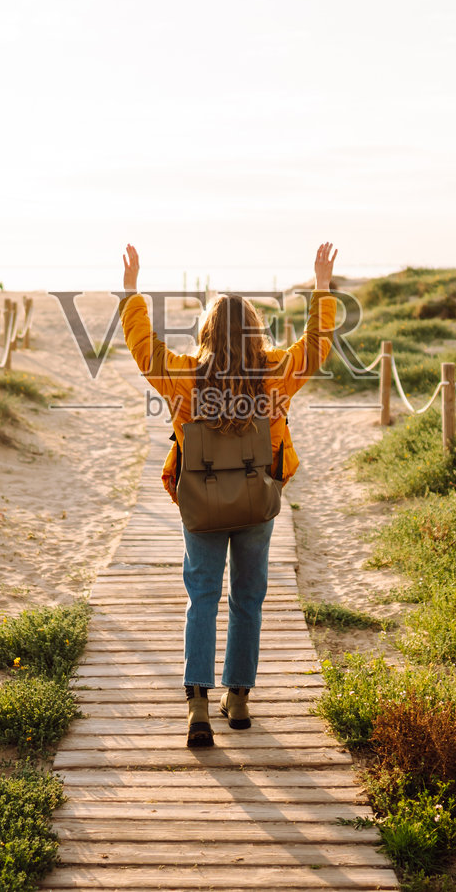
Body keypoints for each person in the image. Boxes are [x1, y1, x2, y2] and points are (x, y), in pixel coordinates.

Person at [118, 242, 338, 747]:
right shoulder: (275, 372)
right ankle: (237, 698)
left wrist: (131, 293)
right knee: (248, 598)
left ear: (207, 332)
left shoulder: (185, 376)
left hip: (200, 501)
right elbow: (315, 347)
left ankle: (197, 704)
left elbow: (143, 349)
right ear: (256, 331)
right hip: (258, 500)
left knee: (202, 598)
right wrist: (322, 288)